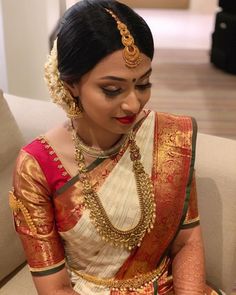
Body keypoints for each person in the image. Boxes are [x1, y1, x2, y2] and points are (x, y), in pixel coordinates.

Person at [9, 1, 221, 294]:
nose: (133, 104)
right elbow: (54, 287)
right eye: (112, 89)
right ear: (71, 83)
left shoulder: (169, 139)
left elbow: (186, 242)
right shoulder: (36, 166)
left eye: (143, 84)